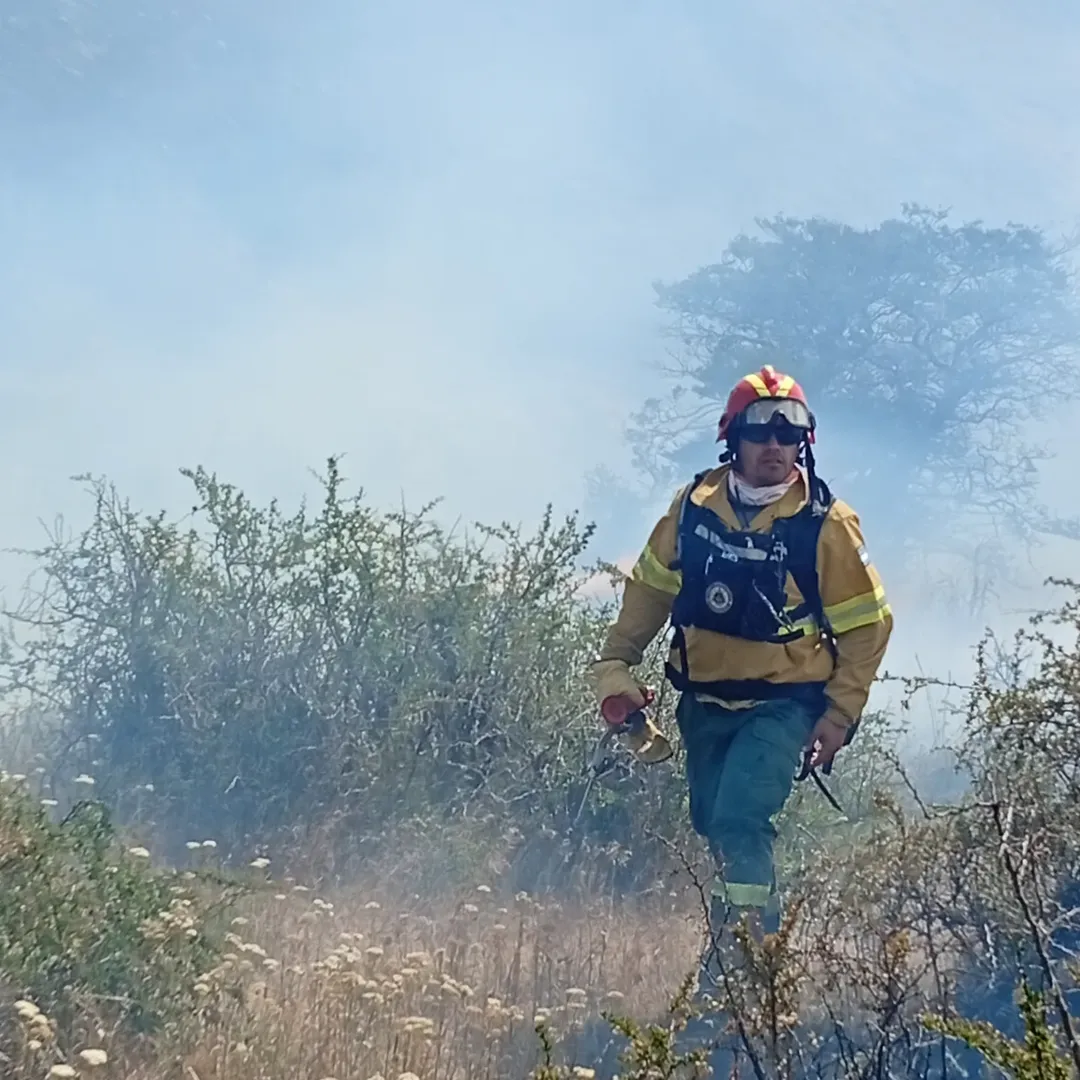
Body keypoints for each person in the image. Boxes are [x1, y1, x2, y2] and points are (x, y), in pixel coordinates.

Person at [589, 363, 893, 982]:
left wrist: (839, 716)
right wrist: (618, 660)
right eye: (761, 433)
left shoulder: (826, 525)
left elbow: (868, 624)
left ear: (804, 443)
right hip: (704, 701)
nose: (775, 446)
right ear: (733, 439)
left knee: (740, 819)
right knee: (711, 820)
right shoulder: (693, 509)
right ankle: (748, 941)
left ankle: (743, 968)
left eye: (790, 434)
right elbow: (650, 589)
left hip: (785, 704)